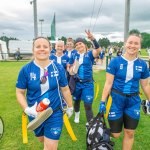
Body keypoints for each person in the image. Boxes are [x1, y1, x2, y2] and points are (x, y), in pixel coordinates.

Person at [16, 37, 73, 150]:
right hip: (35, 114)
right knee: (42, 140)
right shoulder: (25, 70)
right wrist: (27, 109)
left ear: (50, 49)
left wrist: (70, 106)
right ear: (33, 49)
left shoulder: (58, 68)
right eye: (38, 46)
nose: (42, 49)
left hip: (55, 112)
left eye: (45, 46)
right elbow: (19, 92)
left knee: (51, 147)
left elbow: (65, 89)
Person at [99, 33, 150, 150]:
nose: (133, 45)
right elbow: (108, 83)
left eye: (136, 43)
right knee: (116, 134)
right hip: (116, 99)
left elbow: (145, 85)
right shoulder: (115, 62)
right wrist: (102, 101)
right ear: (125, 44)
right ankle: (101, 131)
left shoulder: (142, 65)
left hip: (133, 101)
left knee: (129, 133)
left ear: (140, 46)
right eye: (130, 42)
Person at [68, 30, 101, 123]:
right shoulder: (74, 55)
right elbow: (70, 70)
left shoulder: (90, 54)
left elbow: (98, 50)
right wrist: (72, 69)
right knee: (77, 101)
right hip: (77, 83)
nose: (78, 46)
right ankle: (77, 115)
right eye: (77, 44)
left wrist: (93, 39)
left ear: (84, 44)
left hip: (88, 84)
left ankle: (90, 125)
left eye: (80, 43)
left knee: (88, 105)